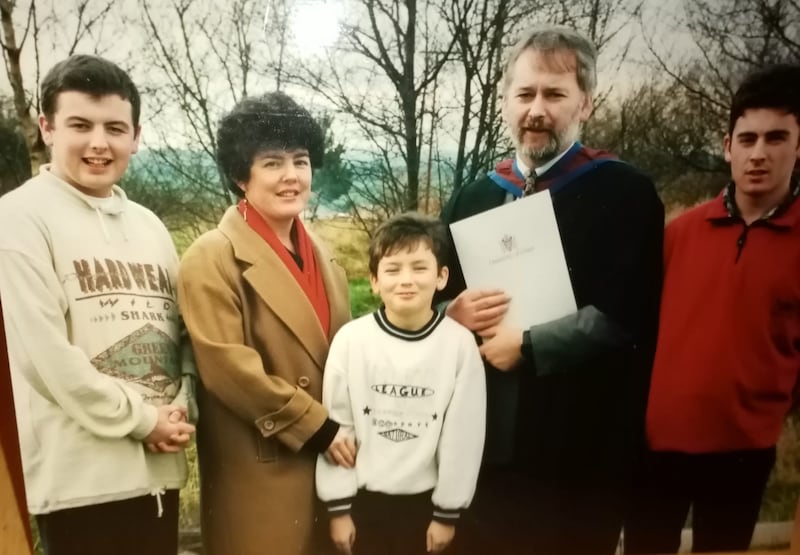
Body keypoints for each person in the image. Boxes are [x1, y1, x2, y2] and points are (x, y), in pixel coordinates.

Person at [436, 24, 665, 555]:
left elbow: (626, 314)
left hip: (577, 448)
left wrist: (530, 346)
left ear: (585, 104)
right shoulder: (473, 197)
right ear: (505, 103)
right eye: (525, 94)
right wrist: (452, 312)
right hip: (484, 444)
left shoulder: (623, 194)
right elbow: (430, 296)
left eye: (555, 94)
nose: (536, 109)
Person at [0, 54, 197, 555]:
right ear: (46, 127)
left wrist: (180, 405)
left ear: (136, 136)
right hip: (80, 484)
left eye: (115, 127)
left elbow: (181, 335)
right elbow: (44, 358)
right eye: (79, 125)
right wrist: (142, 420)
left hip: (158, 475)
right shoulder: (19, 217)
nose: (98, 143)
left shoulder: (151, 226)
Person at [624, 64, 800, 554]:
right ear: (728, 146)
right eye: (747, 139)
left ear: (798, 145)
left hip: (743, 453)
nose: (759, 153)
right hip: (660, 448)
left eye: (776, 138)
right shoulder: (680, 233)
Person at [177, 91, 354, 555]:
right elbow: (228, 369)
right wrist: (317, 426)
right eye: (272, 163)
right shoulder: (211, 256)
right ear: (241, 175)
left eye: (301, 160)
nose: (291, 176)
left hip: (329, 465)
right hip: (264, 466)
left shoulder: (322, 251)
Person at [316, 212, 486, 555]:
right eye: (392, 270)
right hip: (362, 506)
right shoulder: (352, 340)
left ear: (441, 277)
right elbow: (338, 427)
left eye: (419, 268)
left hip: (427, 510)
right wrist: (338, 508)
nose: (406, 280)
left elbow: (462, 437)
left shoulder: (459, 345)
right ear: (374, 281)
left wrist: (446, 514)